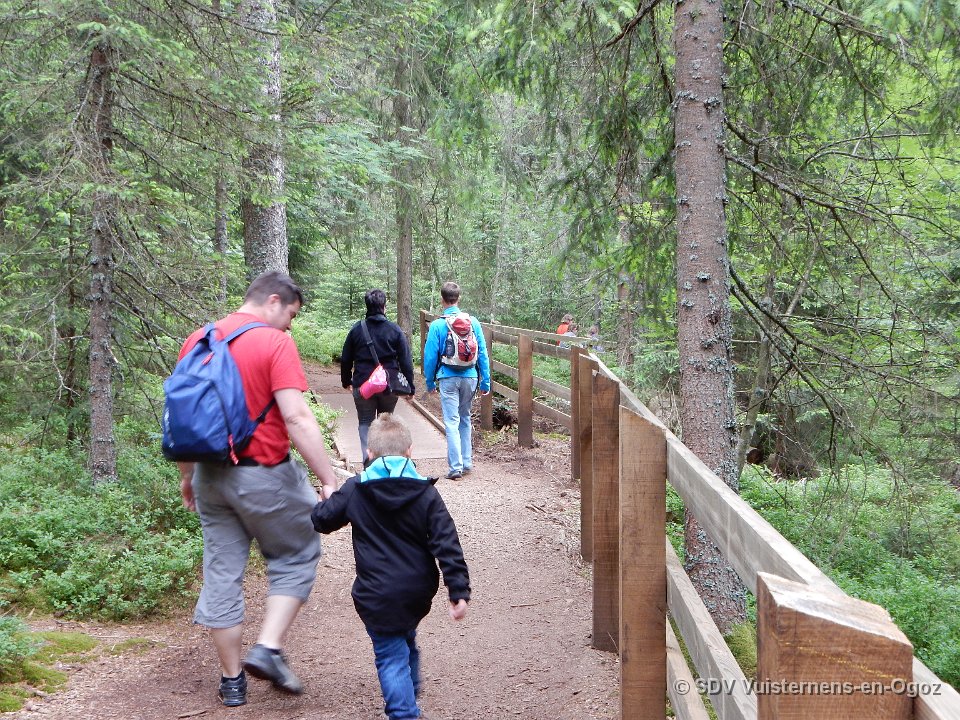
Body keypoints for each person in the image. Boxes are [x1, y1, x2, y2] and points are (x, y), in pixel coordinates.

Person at [176, 271, 339, 708]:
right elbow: (296, 417)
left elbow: (186, 418)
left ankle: (232, 682)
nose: (290, 325)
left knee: (221, 573)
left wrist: (187, 477)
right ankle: (267, 647)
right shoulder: (273, 342)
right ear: (273, 301)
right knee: (298, 551)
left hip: (210, 477)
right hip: (264, 472)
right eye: (291, 315)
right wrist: (328, 478)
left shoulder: (198, 339)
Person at [311, 413, 470, 720]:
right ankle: (410, 692)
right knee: (403, 636)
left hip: (376, 593)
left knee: (390, 655)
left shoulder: (356, 489)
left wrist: (326, 499)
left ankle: (403, 712)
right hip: (416, 591)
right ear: (409, 451)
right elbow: (447, 541)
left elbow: (322, 520)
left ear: (369, 453)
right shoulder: (426, 493)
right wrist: (458, 590)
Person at [422, 281, 491, 480]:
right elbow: (483, 353)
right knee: (465, 418)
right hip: (470, 377)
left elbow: (430, 357)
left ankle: (455, 467)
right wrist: (485, 381)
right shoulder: (473, 322)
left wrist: (430, 382)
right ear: (458, 298)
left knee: (451, 421)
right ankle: (467, 462)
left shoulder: (437, 325)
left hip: (447, 377)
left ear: (442, 300)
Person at [340, 288, 416, 466]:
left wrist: (346, 381)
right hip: (389, 386)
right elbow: (406, 361)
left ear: (367, 306)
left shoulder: (357, 329)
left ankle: (369, 463)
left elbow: (346, 358)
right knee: (386, 423)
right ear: (384, 306)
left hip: (363, 385)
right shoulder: (394, 330)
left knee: (365, 423)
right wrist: (410, 388)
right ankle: (386, 463)